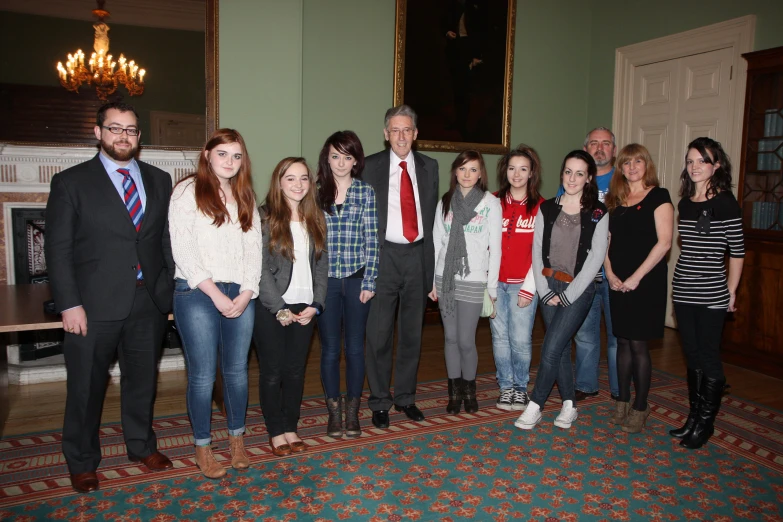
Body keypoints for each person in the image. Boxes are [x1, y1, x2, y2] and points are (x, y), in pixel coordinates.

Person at [45, 102, 175, 493]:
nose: (123, 136)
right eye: (115, 128)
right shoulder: (71, 182)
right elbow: (58, 249)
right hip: (92, 306)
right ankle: (82, 461)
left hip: (146, 302)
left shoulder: (159, 179)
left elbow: (163, 242)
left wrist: (167, 294)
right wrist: (69, 304)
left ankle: (141, 446)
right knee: (85, 386)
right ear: (98, 132)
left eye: (131, 130)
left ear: (139, 137)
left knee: (141, 382)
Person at [169, 129, 262, 478]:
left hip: (240, 292)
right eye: (222, 154)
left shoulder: (245, 195)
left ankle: (237, 440)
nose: (230, 162)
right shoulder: (186, 191)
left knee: (237, 371)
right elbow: (185, 251)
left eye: (236, 156)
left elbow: (254, 250)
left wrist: (247, 291)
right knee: (204, 375)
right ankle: (203, 447)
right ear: (207, 154)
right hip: (196, 293)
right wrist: (217, 293)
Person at [515, 150, 608, 431]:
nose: (572, 178)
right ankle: (569, 404)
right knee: (561, 346)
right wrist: (544, 291)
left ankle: (536, 405)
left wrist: (568, 295)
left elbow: (595, 259)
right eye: (568, 171)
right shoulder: (548, 208)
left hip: (578, 290)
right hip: (548, 285)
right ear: (562, 173)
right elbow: (537, 252)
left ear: (588, 177)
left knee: (551, 347)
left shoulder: (598, 213)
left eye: (579, 173)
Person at [363, 105, 439, 428]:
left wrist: (432, 270)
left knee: (411, 334)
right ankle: (379, 400)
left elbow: (433, 221)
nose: (401, 136)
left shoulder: (429, 167)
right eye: (395, 130)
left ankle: (406, 397)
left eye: (407, 130)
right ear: (385, 134)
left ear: (416, 134)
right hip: (383, 257)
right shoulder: (369, 167)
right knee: (378, 334)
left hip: (417, 257)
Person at [671, 137, 744, 449]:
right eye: (690, 161)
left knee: (709, 356)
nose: (695, 167)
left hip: (713, 290)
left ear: (716, 165)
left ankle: (706, 424)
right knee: (692, 355)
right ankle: (693, 417)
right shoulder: (686, 203)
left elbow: (737, 252)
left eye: (702, 161)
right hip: (684, 288)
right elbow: (686, 248)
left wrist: (731, 291)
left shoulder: (726, 202)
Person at [254, 157, 327, 456]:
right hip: (272, 306)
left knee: (296, 371)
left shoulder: (316, 217)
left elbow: (322, 267)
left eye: (304, 178)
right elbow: (257, 269)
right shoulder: (264, 217)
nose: (298, 184)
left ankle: (290, 427)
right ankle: (275, 431)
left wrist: (317, 304)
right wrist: (278, 308)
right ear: (278, 182)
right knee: (273, 372)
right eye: (291, 178)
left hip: (305, 306)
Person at [603, 144, 673, 433]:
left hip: (646, 282)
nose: (632, 167)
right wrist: (609, 272)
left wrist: (636, 277)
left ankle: (641, 407)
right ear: (620, 167)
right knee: (621, 341)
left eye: (638, 161)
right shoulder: (615, 199)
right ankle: (622, 400)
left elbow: (665, 242)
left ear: (647, 164)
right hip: (617, 280)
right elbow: (605, 241)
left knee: (638, 344)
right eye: (626, 163)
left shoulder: (660, 196)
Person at [316, 131, 379, 438]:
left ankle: (353, 412)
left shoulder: (365, 192)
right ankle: (334, 412)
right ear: (327, 159)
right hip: (324, 283)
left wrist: (370, 280)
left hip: (357, 281)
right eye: (335, 156)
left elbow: (372, 240)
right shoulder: (315, 192)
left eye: (348, 157)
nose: (341, 163)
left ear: (356, 161)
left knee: (355, 349)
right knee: (329, 350)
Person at [431, 150, 501, 414]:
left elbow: (496, 248)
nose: (467, 174)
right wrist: (433, 281)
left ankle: (470, 391)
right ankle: (454, 392)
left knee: (465, 340)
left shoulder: (489, 204)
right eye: (462, 169)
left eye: (473, 169)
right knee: (449, 338)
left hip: (474, 279)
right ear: (455, 172)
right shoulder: (445, 202)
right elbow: (438, 243)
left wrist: (491, 287)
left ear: (481, 173)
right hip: (446, 278)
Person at [559, 128, 619, 402]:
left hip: (618, 270)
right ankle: (585, 383)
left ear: (614, 150)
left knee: (618, 334)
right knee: (584, 331)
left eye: (606, 143)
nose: (600, 147)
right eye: (594, 143)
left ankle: (619, 388)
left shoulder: (624, 179)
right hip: (583, 271)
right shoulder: (572, 182)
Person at [490, 145, 544, 411]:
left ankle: (521, 388)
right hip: (495, 285)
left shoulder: (542, 208)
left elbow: (543, 254)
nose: (517, 174)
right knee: (499, 338)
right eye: (512, 168)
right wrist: (487, 285)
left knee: (520, 339)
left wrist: (529, 288)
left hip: (524, 285)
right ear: (505, 171)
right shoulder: (491, 202)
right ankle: (506, 387)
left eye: (523, 168)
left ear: (532, 172)